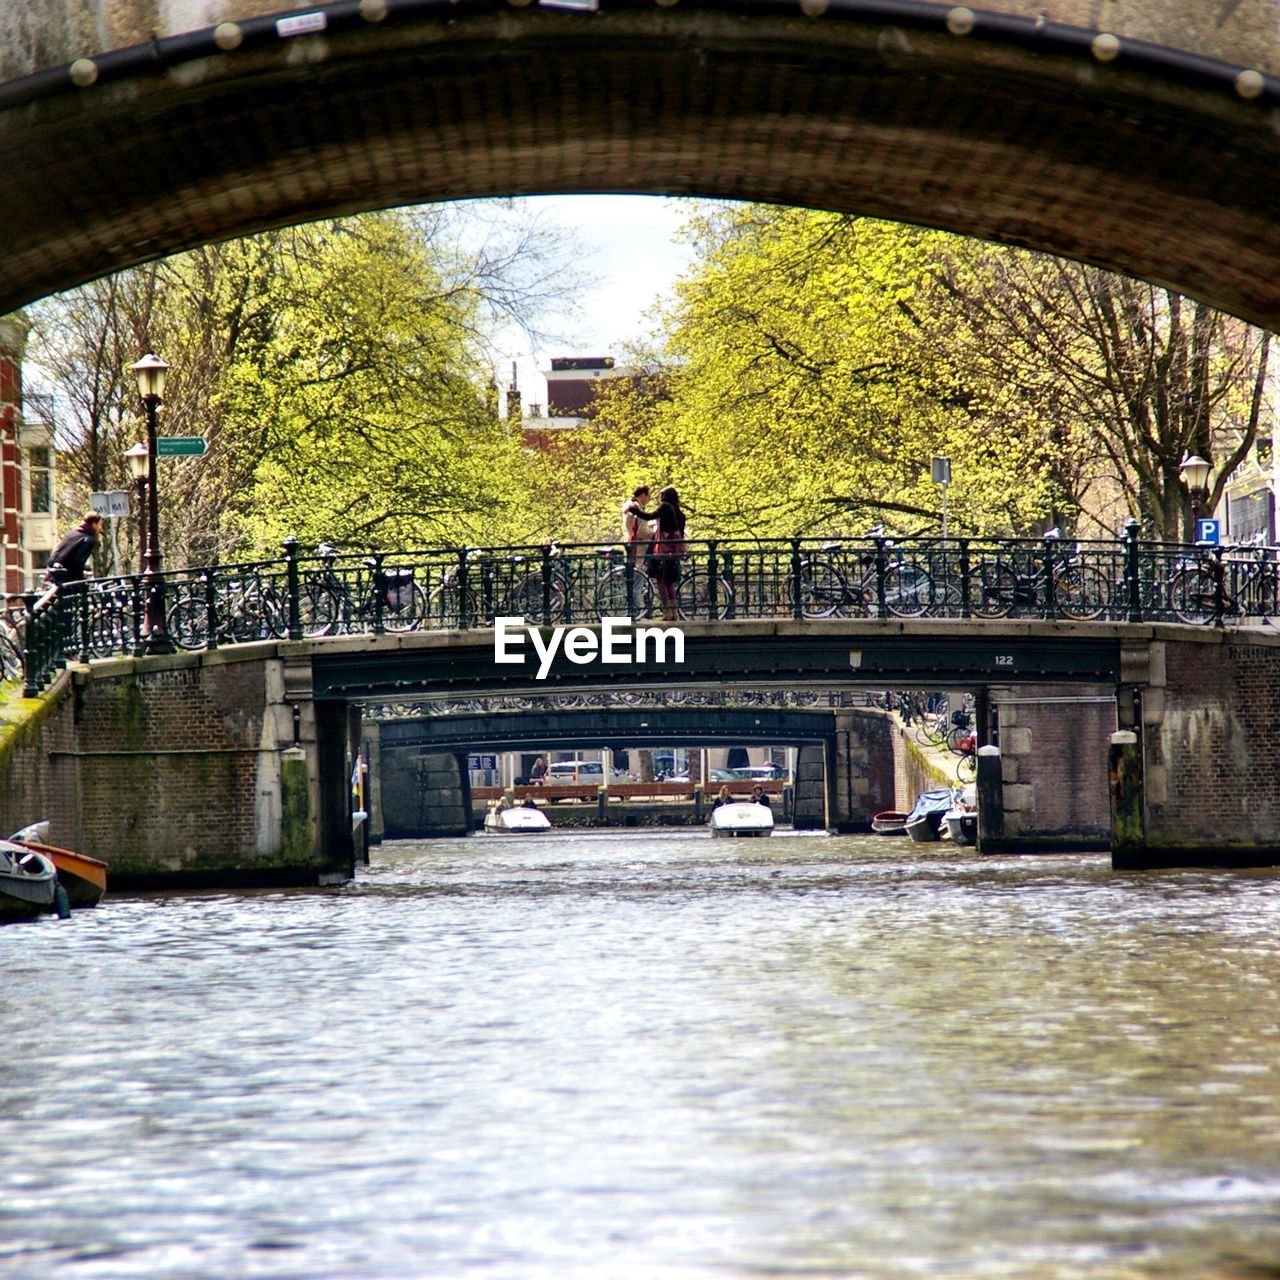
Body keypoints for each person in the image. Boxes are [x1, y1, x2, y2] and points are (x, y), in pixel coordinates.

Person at [648, 485, 687, 621]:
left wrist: (635, 511)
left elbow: (649, 516)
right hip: (674, 550)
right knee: (669, 581)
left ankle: (666, 611)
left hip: (662, 551)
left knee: (660, 579)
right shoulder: (680, 514)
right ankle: (674, 611)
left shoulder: (664, 508)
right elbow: (681, 533)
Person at [47, 512, 103, 587]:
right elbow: (78, 562)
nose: (100, 528)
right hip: (67, 578)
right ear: (93, 524)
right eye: (99, 524)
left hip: (53, 571)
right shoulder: (88, 540)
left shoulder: (71, 533)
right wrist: (81, 581)